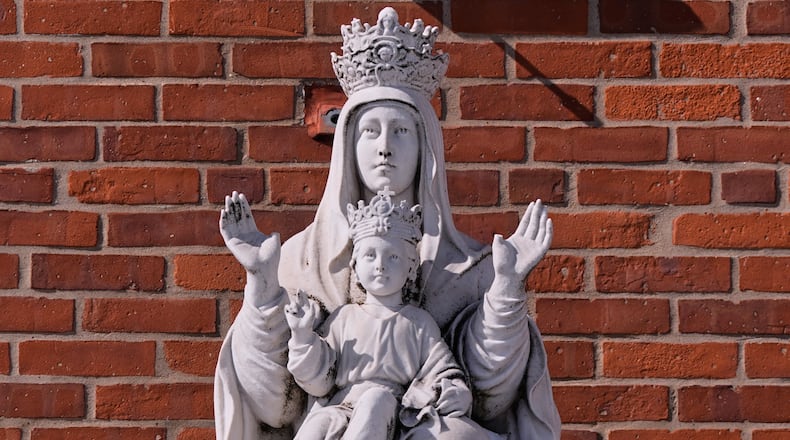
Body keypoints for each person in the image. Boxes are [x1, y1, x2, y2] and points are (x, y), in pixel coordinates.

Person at [214, 7, 561, 440]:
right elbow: (273, 405)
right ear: (347, 144)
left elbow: (492, 395)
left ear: (425, 146)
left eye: (400, 131)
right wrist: (263, 286)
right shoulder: (296, 261)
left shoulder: (472, 268)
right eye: (370, 132)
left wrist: (506, 289)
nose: (384, 148)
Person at [284, 189, 473, 439]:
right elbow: (318, 383)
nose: (380, 265)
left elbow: (445, 374)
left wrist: (454, 393)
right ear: (356, 266)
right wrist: (302, 336)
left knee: (376, 399)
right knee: (314, 428)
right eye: (370, 255)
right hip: (342, 410)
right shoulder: (344, 318)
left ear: (411, 268)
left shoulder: (418, 323)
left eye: (393, 256)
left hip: (392, 412)